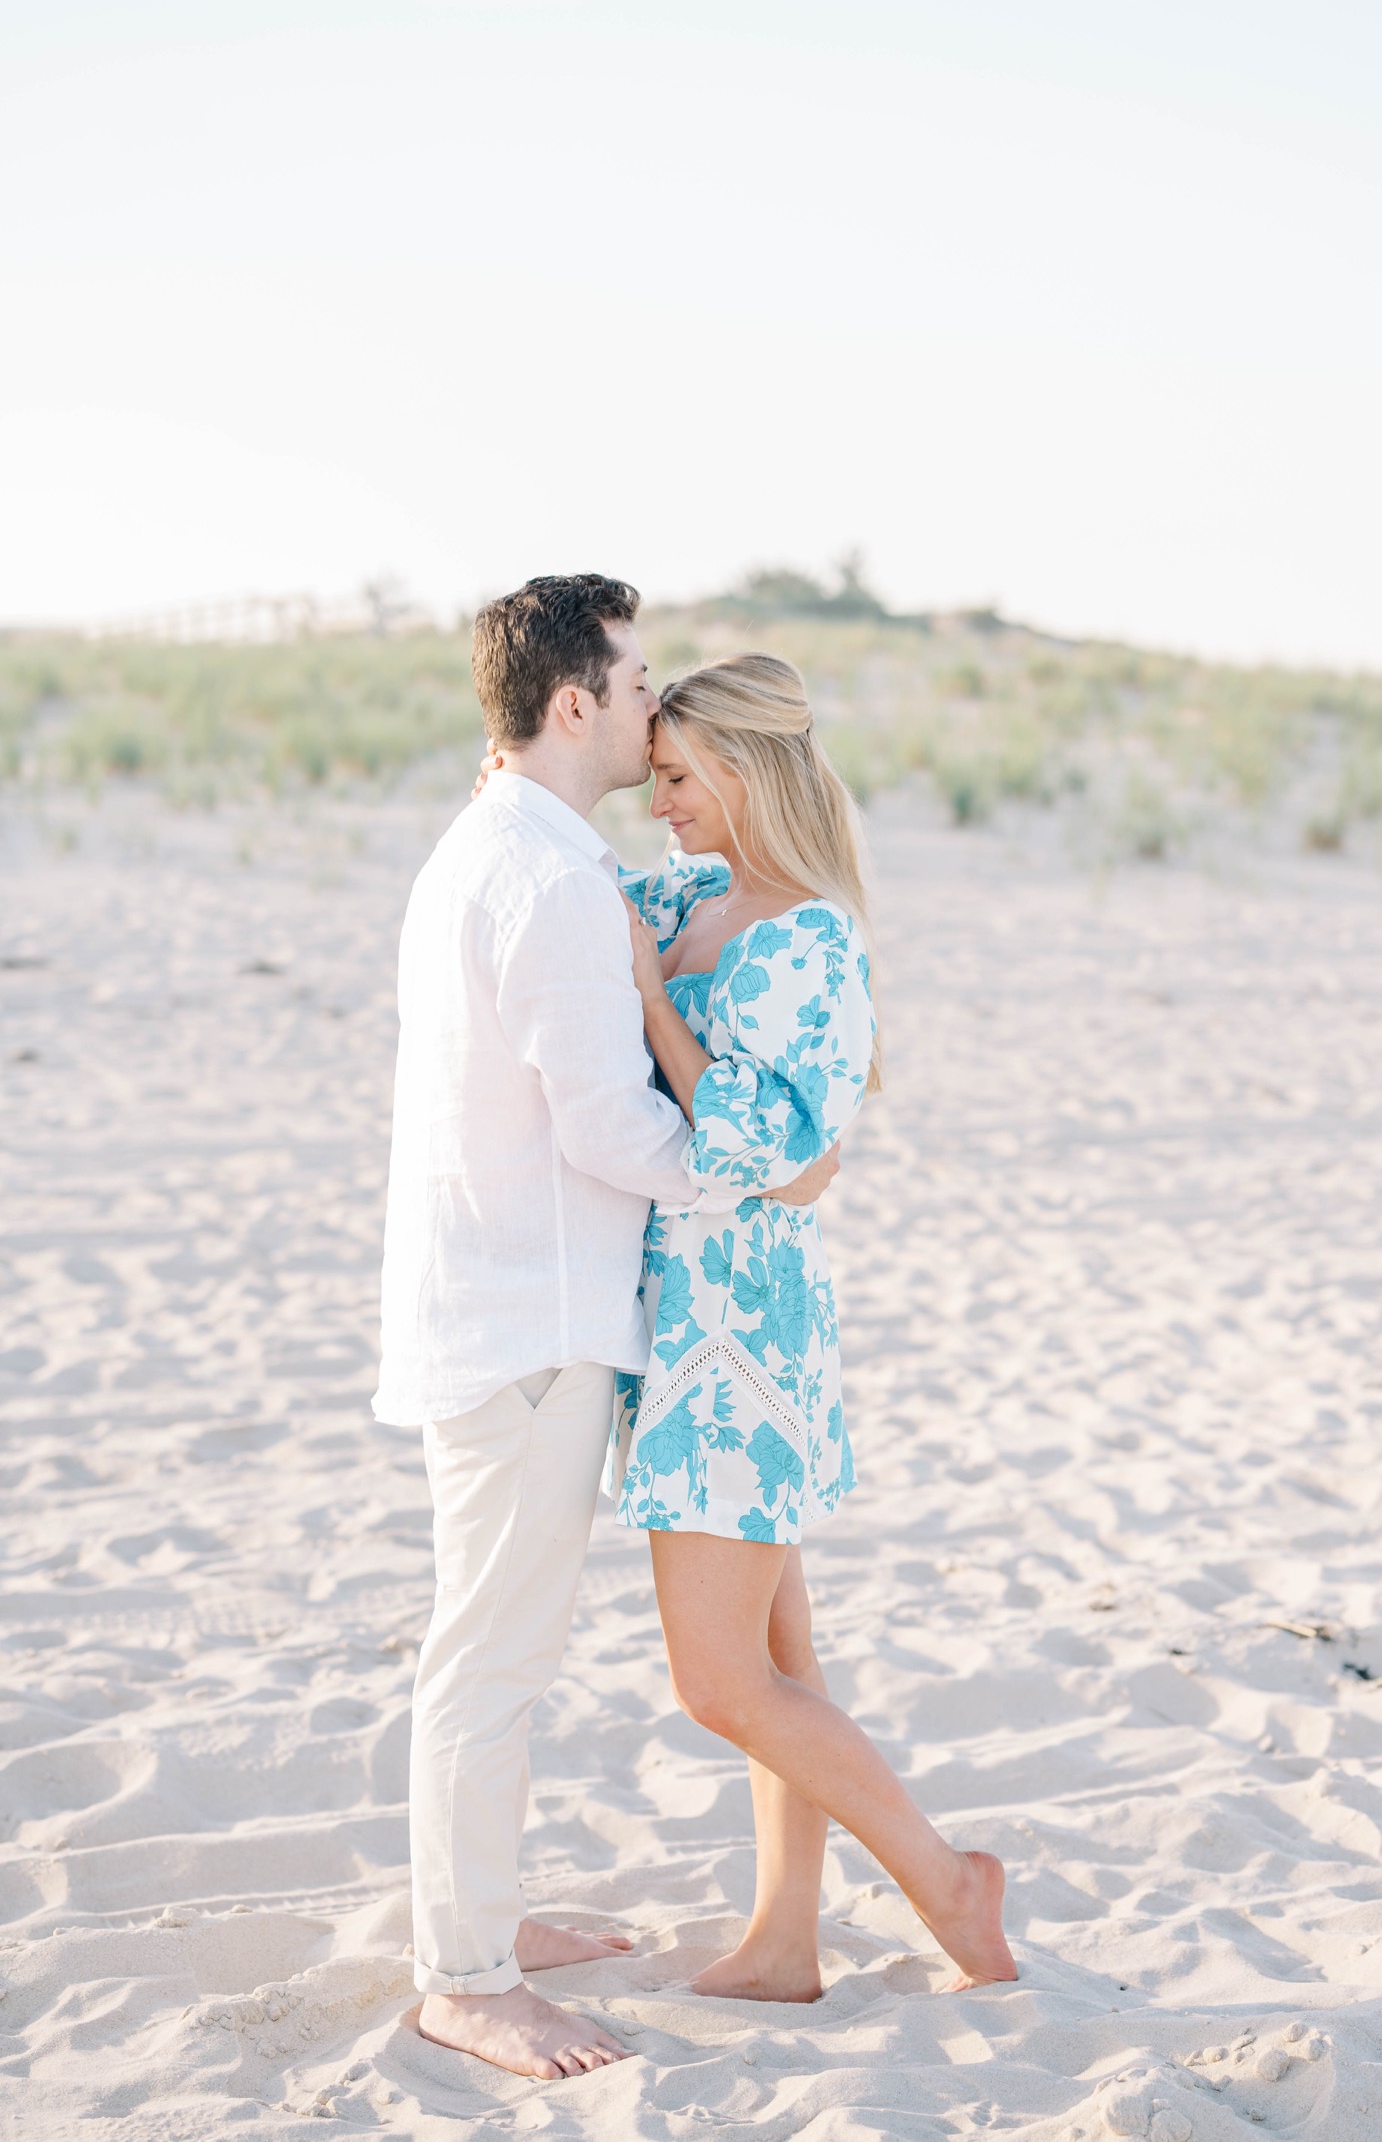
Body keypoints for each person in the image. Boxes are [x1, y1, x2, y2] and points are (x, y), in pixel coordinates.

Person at [374, 578, 836, 2083]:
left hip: (507, 1299)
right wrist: (766, 1164)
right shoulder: (552, 876)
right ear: (574, 702)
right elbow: (609, 1127)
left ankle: (484, 1917)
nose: (652, 707)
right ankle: (464, 1974)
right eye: (634, 680)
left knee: (497, 1641)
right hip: (532, 1315)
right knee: (491, 1655)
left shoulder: (502, 842)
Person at [608, 652, 1017, 2001]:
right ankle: (787, 1941)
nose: (658, 801)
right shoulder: (686, 896)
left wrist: (658, 1005)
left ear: (740, 771)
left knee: (718, 1682)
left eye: (676, 776)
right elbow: (575, 894)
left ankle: (945, 1877)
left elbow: (774, 1160)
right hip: (678, 1316)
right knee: (781, 1661)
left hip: (741, 1334)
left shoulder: (807, 940)